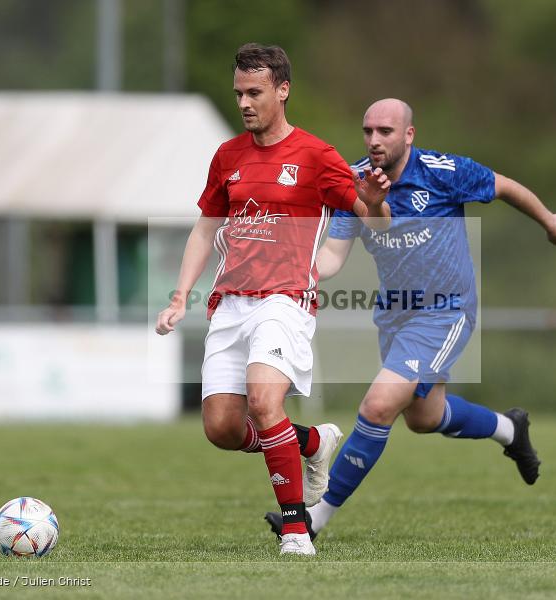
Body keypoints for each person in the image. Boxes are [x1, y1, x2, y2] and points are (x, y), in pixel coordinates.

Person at [265, 98, 556, 540]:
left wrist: (549, 221)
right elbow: (334, 255)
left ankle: (314, 519)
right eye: (368, 131)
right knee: (424, 418)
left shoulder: (444, 172)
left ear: (409, 135)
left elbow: (505, 186)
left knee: (378, 406)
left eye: (385, 132)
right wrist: (296, 273)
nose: (374, 140)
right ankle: (510, 429)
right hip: (396, 314)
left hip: (446, 311)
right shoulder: (354, 183)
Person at [155, 44, 391, 556]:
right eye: (239, 92)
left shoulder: (315, 155)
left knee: (264, 403)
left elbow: (376, 220)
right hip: (230, 303)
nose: (244, 102)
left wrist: (373, 202)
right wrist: (180, 296)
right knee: (221, 427)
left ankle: (295, 530)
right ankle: (311, 443)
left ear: (283, 90)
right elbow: (204, 229)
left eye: (255, 92)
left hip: (285, 300)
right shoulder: (228, 156)